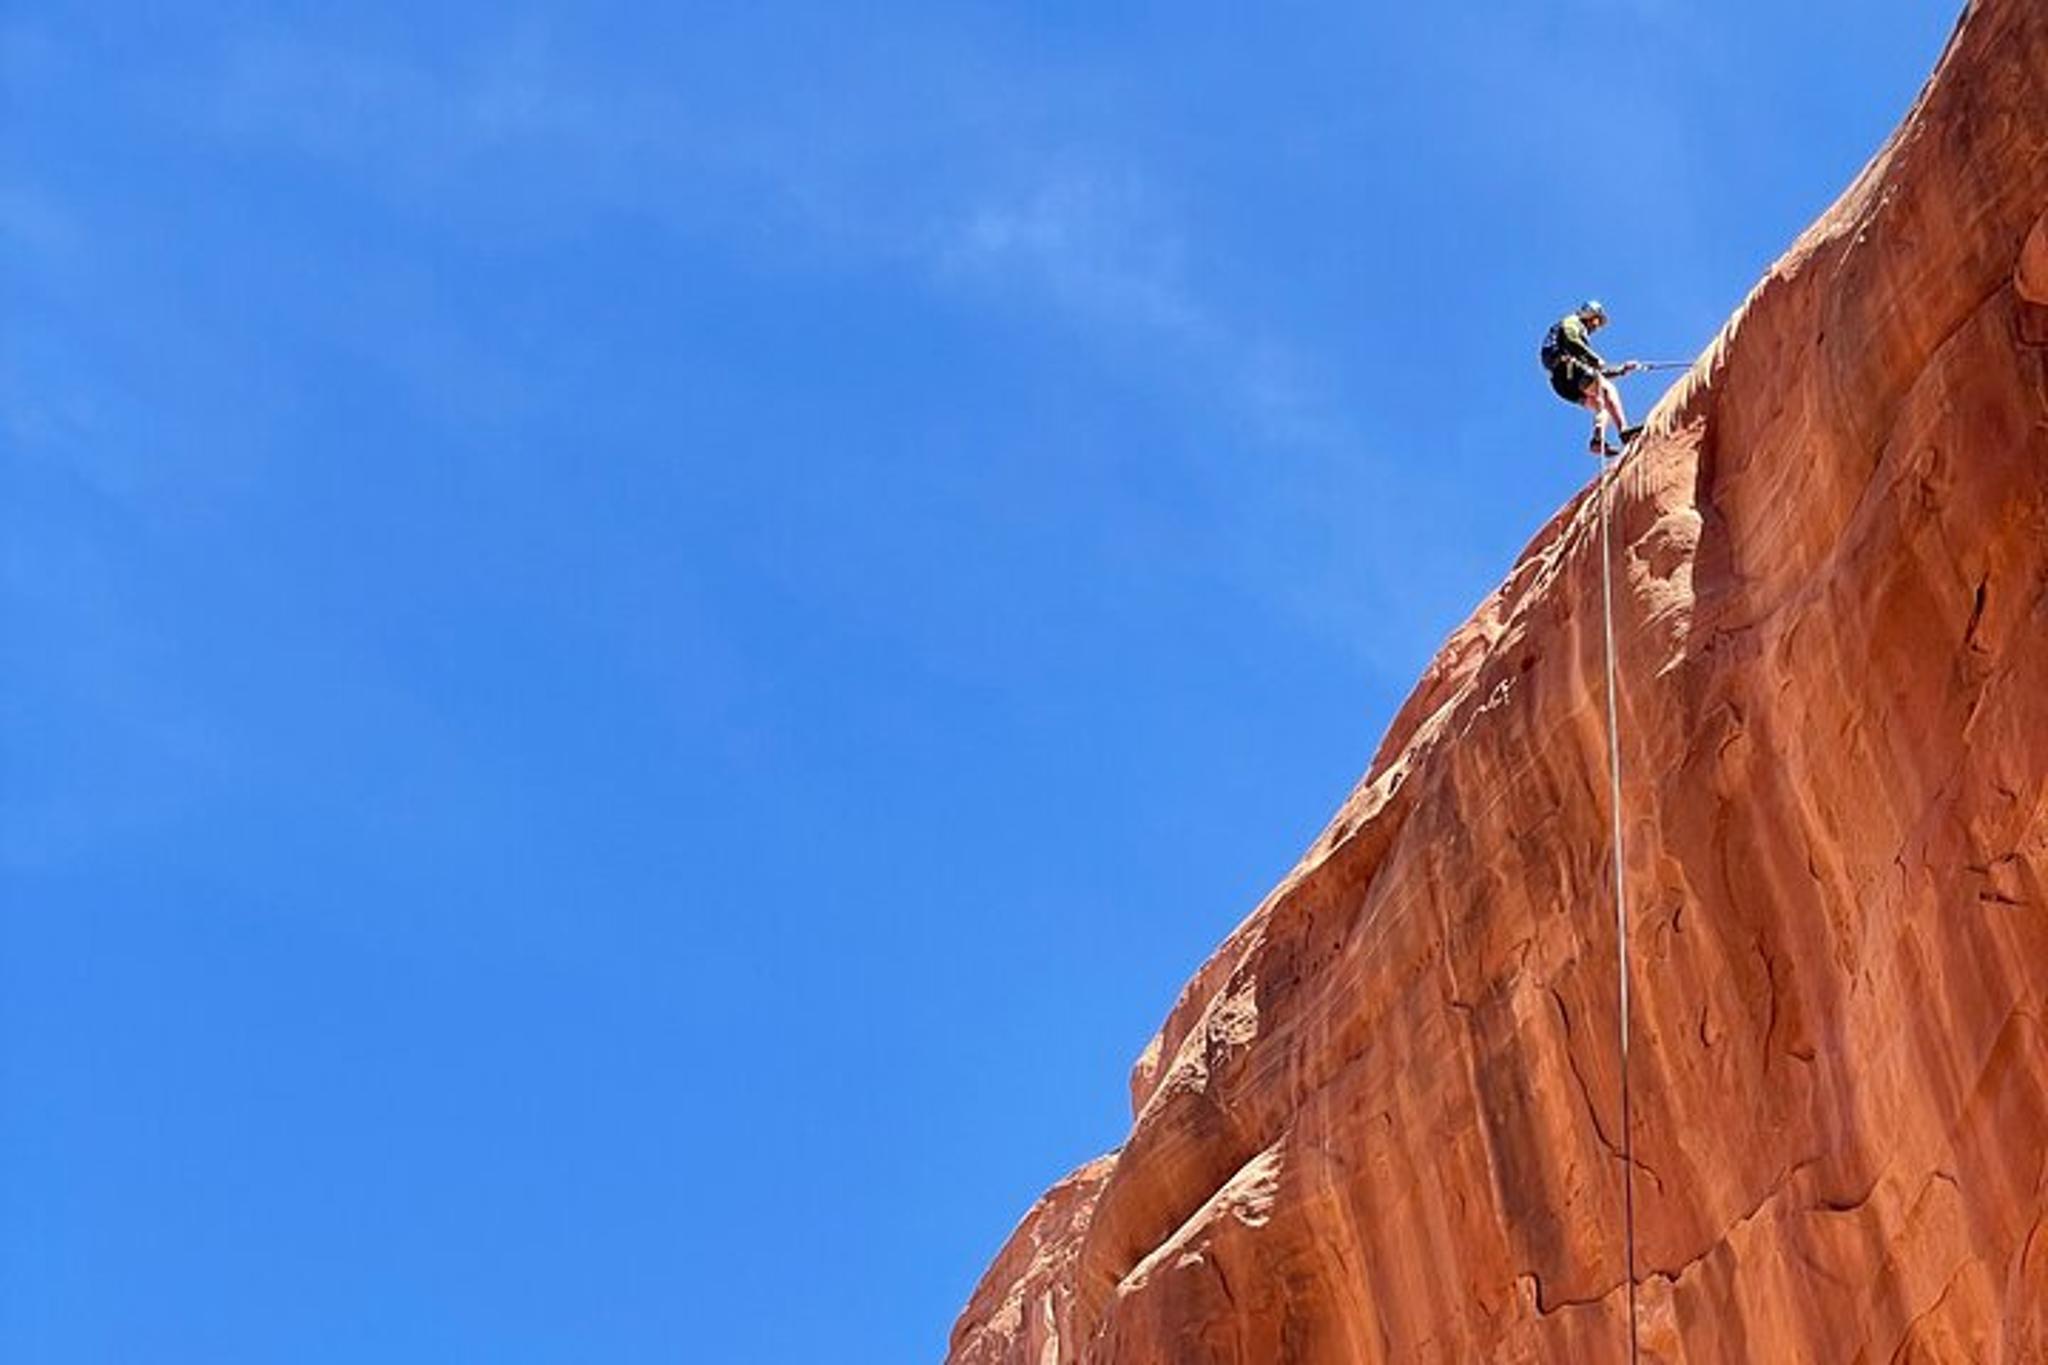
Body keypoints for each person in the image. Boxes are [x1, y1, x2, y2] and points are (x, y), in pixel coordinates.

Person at [1541, 300, 1642, 455]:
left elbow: (1595, 375)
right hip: (1567, 369)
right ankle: (1624, 431)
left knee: (1603, 406)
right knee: (1609, 390)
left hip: (1562, 383)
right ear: (1589, 313)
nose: (1596, 326)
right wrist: (1595, 359)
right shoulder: (1572, 321)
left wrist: (1622, 370)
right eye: (1597, 320)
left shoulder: (1577, 349)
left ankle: (1597, 440)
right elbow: (1571, 340)